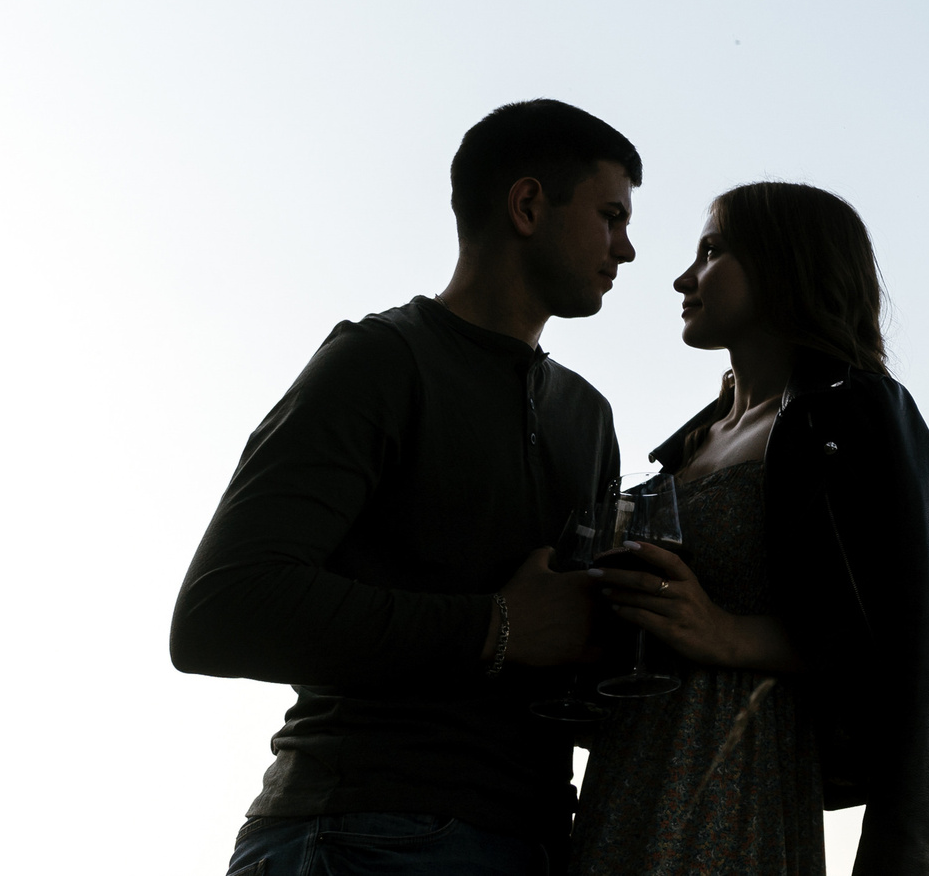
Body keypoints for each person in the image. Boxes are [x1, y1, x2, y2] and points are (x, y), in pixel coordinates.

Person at [172, 99, 643, 875]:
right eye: (610, 215)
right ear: (528, 205)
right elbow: (220, 611)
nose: (627, 249)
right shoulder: (379, 362)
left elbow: (564, 651)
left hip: (538, 843)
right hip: (360, 833)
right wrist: (496, 626)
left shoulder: (589, 418)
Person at [571, 182, 929, 876]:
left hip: (738, 775)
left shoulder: (854, 415)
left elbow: (917, 638)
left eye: (711, 252)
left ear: (785, 264)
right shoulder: (688, 444)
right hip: (629, 763)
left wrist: (727, 633)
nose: (683, 277)